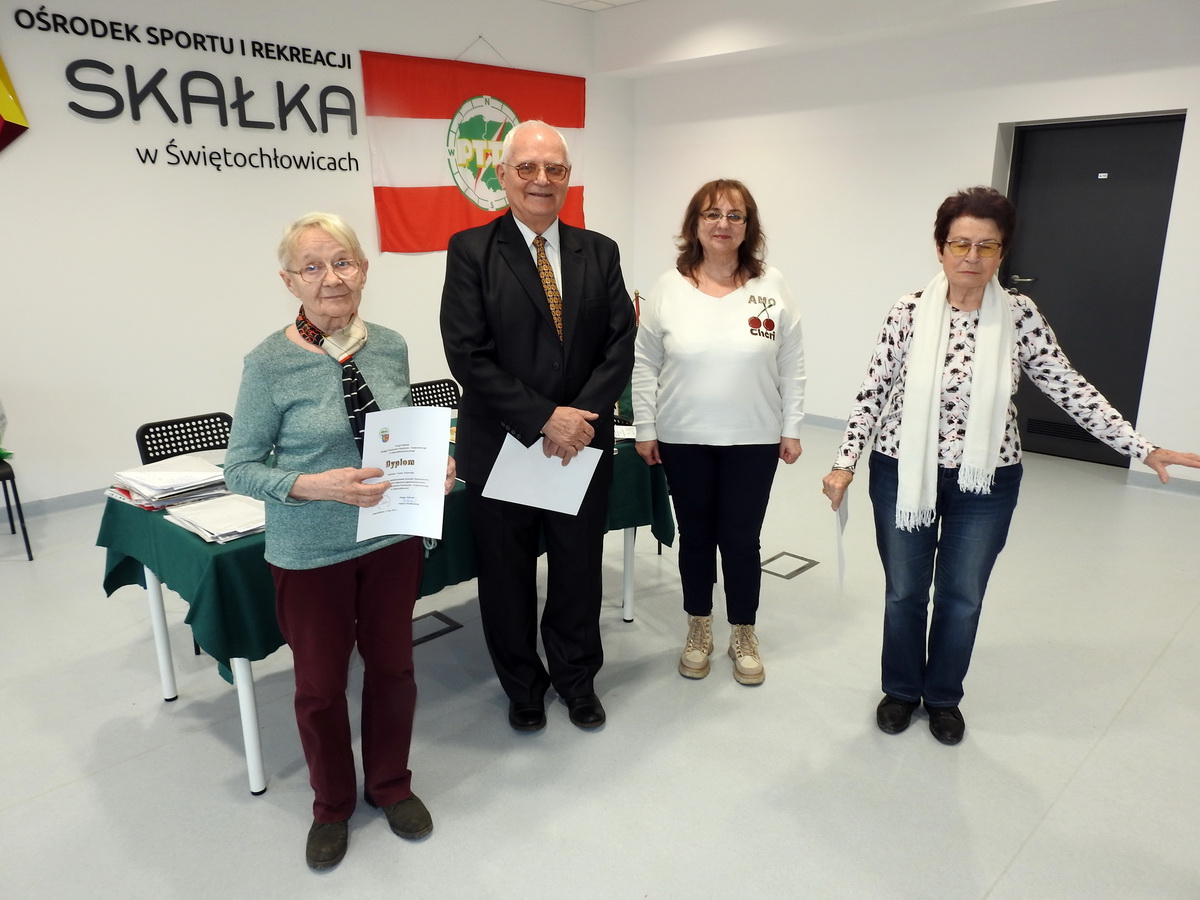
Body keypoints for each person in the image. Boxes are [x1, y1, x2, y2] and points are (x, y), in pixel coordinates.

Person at [821, 186, 1200, 745]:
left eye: (987, 246)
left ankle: (943, 698)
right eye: (960, 244)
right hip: (902, 470)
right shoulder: (908, 311)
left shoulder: (1020, 315)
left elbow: (1067, 386)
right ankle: (900, 690)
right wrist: (844, 463)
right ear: (940, 247)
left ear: (1002, 253)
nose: (972, 257)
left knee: (962, 596)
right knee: (904, 591)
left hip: (987, 481)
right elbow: (873, 391)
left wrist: (1139, 446)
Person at [224, 212, 456, 870]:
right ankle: (331, 805)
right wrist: (311, 485)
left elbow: (398, 432)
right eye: (313, 267)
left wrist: (434, 464)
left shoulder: (390, 345)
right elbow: (240, 468)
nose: (331, 278)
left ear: (363, 270)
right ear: (289, 282)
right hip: (310, 552)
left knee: (394, 670)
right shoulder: (268, 364)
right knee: (321, 688)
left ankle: (390, 784)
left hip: (390, 539)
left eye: (343, 262)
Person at [440, 120, 636, 733]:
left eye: (554, 168)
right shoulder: (471, 251)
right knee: (507, 576)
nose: (541, 180)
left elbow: (619, 346)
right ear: (503, 175)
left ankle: (577, 681)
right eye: (527, 167)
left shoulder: (599, 251)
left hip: (581, 445)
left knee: (578, 571)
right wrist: (545, 417)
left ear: (568, 178)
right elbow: (467, 354)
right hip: (503, 445)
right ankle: (522, 687)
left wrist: (576, 421)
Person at [632, 179, 805, 685]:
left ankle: (744, 631)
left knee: (742, 539)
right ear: (695, 224)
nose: (722, 224)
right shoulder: (668, 288)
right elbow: (644, 363)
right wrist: (646, 427)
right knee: (696, 538)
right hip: (683, 437)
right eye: (712, 214)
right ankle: (699, 626)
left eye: (734, 215)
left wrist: (791, 427)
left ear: (748, 227)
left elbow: (793, 363)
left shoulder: (772, 285)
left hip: (754, 437)